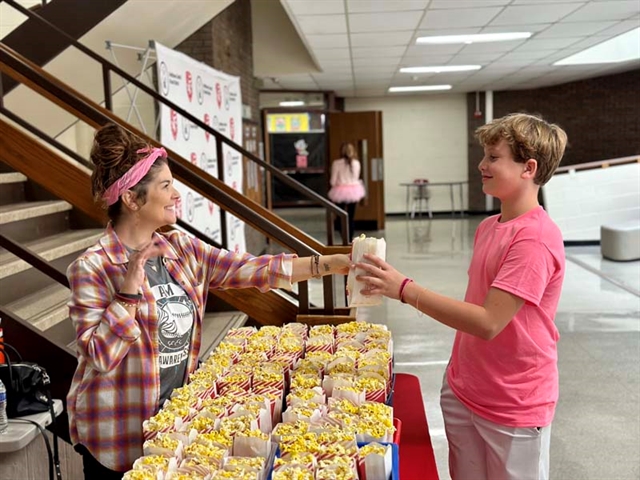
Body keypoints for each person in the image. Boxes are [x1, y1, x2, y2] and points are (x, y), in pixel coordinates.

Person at [66, 124, 351, 478]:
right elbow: (100, 356)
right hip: (116, 437)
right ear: (131, 199)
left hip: (171, 425)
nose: (176, 194)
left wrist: (329, 263)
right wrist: (127, 292)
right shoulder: (92, 267)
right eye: (166, 186)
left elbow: (251, 269)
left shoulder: (181, 249)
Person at [356, 113, 568, 480]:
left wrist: (404, 290)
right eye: (484, 155)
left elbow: (488, 322)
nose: (482, 165)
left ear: (528, 168)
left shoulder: (534, 238)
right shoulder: (490, 226)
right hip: (466, 387)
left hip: (512, 401)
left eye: (493, 157)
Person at [328, 142, 366, 242]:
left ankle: (343, 236)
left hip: (339, 191)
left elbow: (333, 181)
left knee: (341, 216)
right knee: (351, 216)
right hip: (354, 190)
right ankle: (350, 237)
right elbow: (356, 177)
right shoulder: (356, 163)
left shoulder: (336, 163)